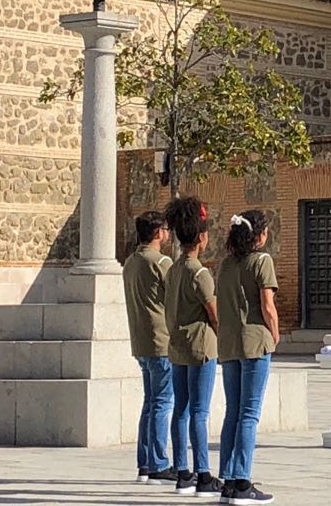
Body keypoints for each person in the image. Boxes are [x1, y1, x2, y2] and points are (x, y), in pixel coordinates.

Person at [217, 210, 280, 505]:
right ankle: (242, 481)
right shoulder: (262, 261)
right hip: (255, 342)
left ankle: (228, 479)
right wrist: (275, 333)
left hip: (229, 345)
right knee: (249, 414)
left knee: (233, 411)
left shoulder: (226, 265)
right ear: (259, 234)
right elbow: (267, 305)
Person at [163, 197, 224, 498]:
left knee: (181, 410)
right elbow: (214, 314)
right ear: (201, 237)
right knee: (200, 411)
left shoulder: (173, 270)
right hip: (201, 348)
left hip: (177, 348)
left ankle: (182, 470)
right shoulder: (200, 273)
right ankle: (203, 474)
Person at [123, 211, 177, 485]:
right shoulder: (162, 262)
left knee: (150, 402)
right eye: (166, 230)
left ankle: (144, 462)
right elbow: (175, 296)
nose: (168, 234)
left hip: (141, 341)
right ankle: (157, 462)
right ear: (158, 233)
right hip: (162, 340)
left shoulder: (131, 262)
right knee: (162, 403)